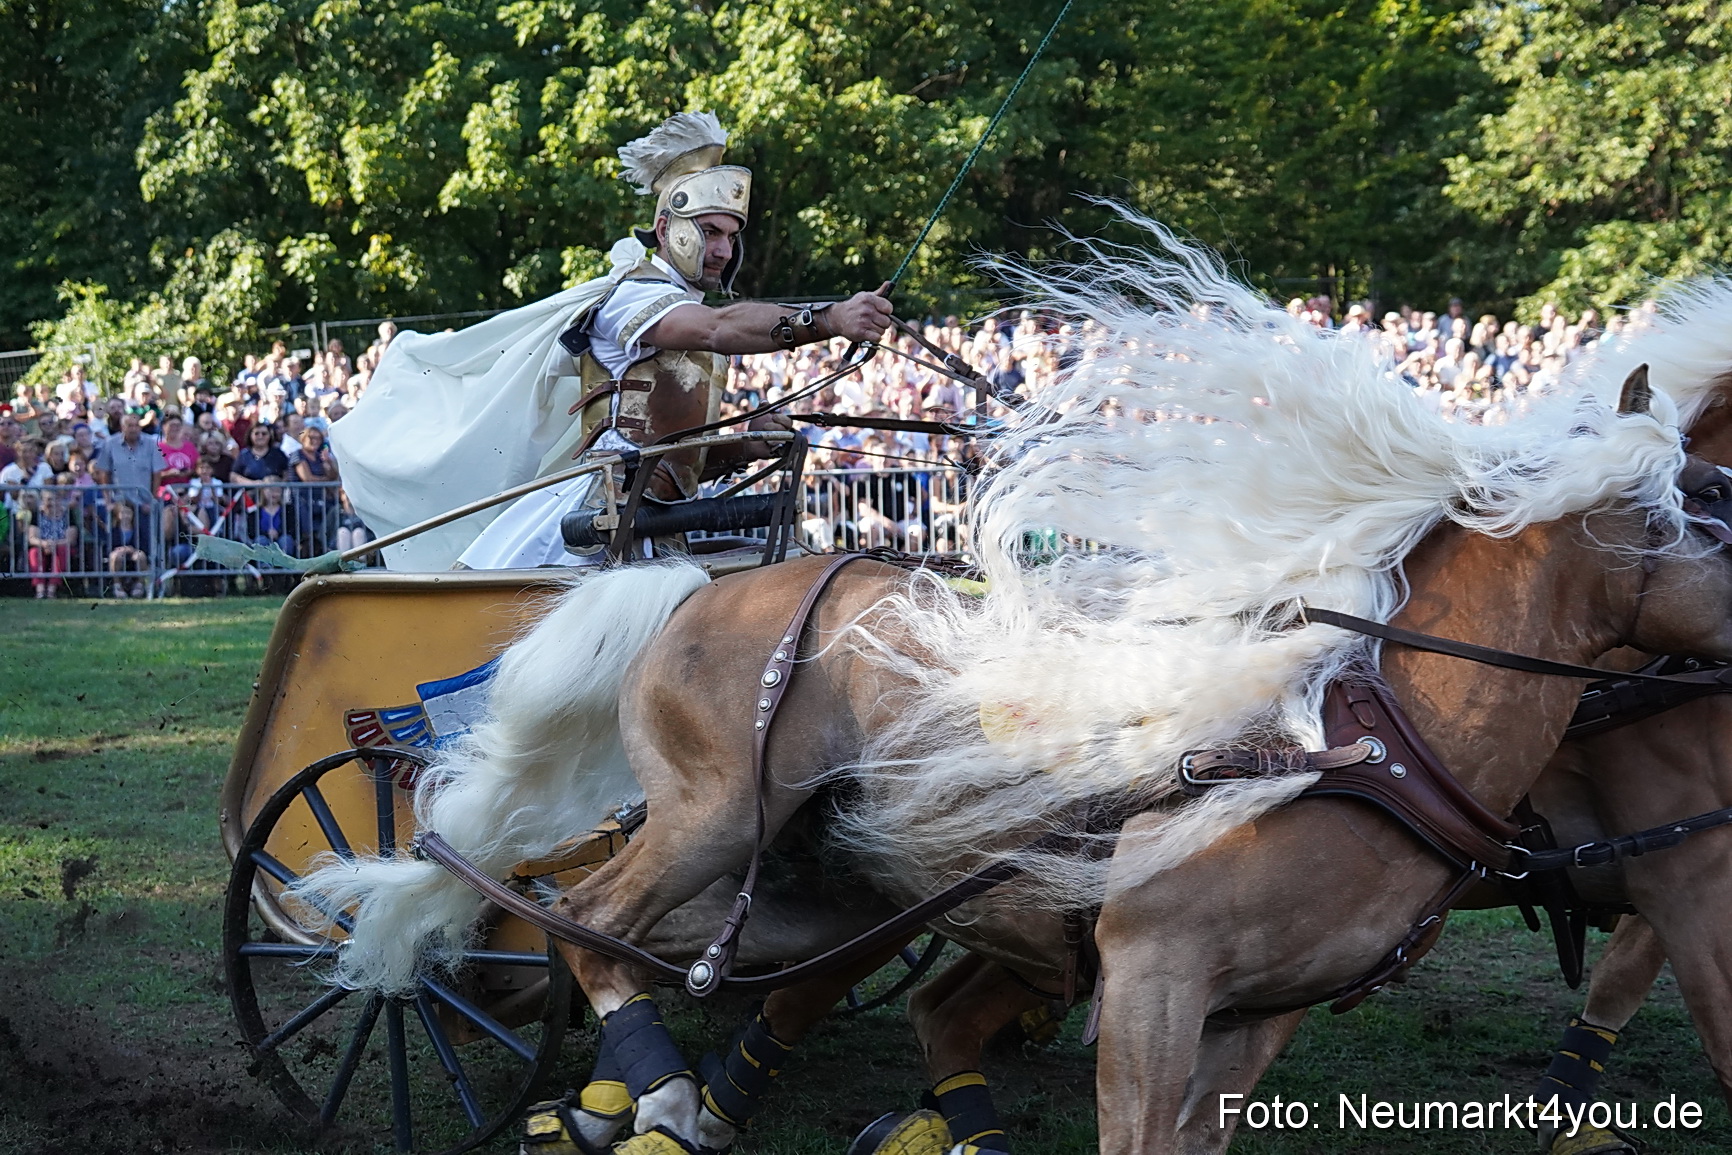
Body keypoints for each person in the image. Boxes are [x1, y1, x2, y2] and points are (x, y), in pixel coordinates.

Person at [333, 110, 893, 570]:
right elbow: (721, 329)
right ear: (670, 228)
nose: (723, 249)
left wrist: (745, 446)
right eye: (711, 232)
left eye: (731, 235)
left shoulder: (686, 314)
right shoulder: (632, 298)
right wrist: (827, 319)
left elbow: (675, 452)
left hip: (658, 522)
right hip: (602, 518)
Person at [26, 485, 75, 598]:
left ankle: (52, 589)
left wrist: (54, 544)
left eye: (53, 499)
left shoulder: (67, 514)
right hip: (43, 545)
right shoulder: (37, 515)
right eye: (47, 499)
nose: (50, 503)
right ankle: (40, 589)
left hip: (61, 545)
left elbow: (71, 539)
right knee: (34, 552)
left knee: (62, 551)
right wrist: (44, 543)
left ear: (59, 500)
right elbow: (32, 537)